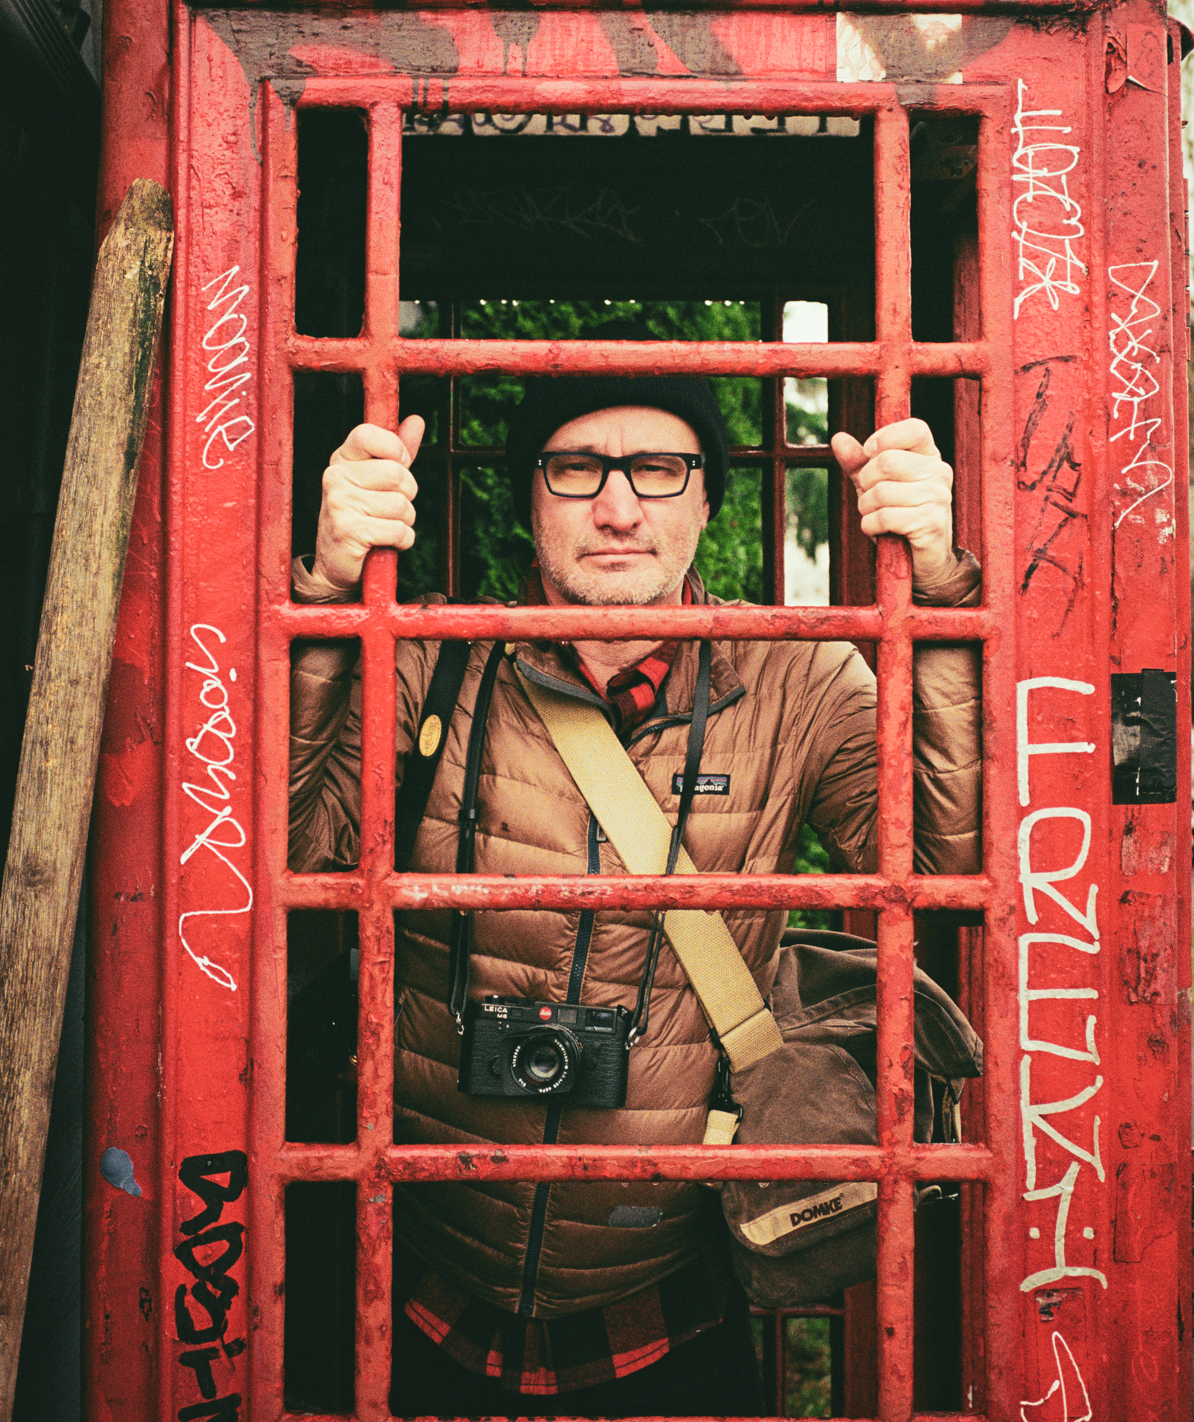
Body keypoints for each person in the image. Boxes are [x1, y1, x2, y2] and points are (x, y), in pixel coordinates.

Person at [289, 363, 981, 1417]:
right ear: (528, 499)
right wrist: (328, 593)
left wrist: (939, 593)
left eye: (659, 469)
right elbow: (290, 846)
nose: (618, 509)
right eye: (576, 468)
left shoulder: (799, 679)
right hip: (414, 1289)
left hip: (673, 1310)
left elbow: (945, 869)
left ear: (708, 500)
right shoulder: (429, 659)